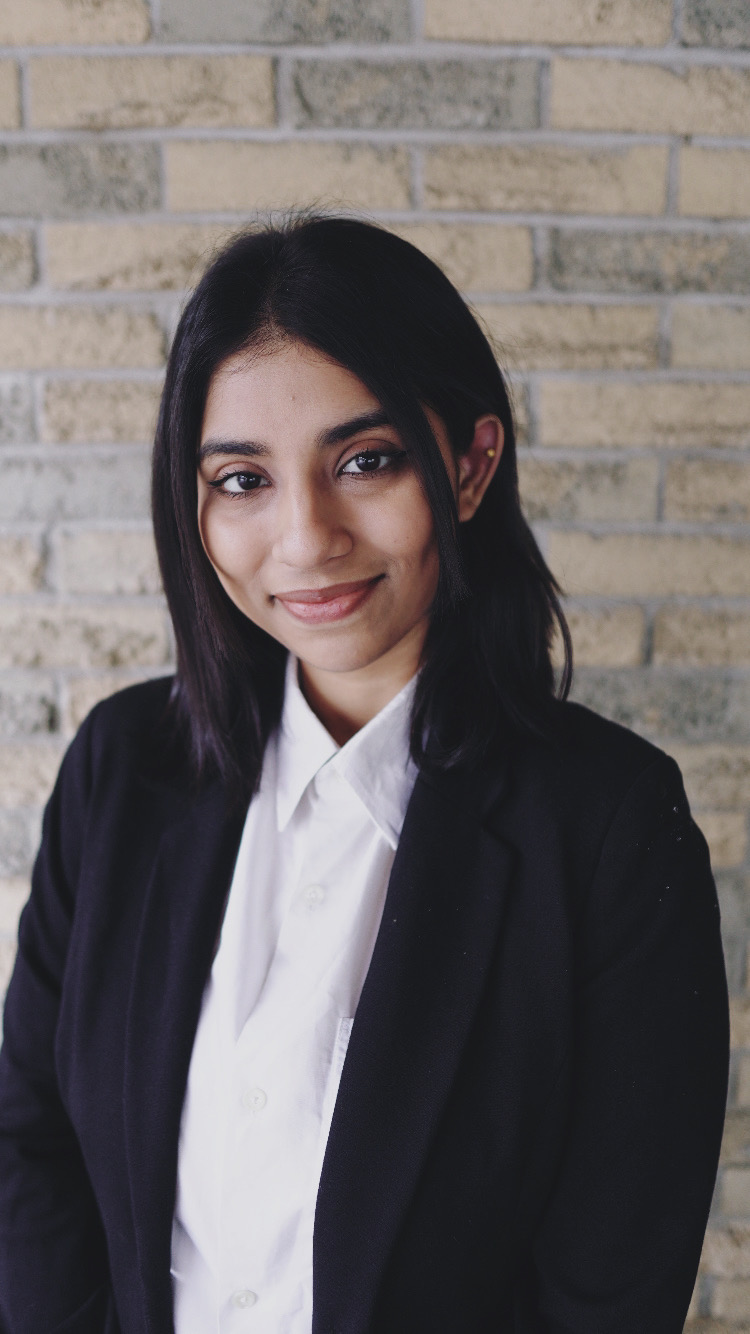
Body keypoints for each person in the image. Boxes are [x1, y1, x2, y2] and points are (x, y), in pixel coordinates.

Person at [0, 214, 729, 1334]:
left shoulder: (613, 829)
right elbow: (29, 1137)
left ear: (472, 463)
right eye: (241, 478)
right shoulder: (119, 767)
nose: (305, 537)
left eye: (366, 460)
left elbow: (605, 1290)